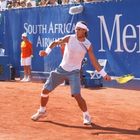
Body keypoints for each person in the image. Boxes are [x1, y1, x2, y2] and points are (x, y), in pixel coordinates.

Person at [31, 21, 111, 125]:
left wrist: (104, 74)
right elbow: (54, 43)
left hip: (74, 72)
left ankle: (86, 115)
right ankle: (42, 111)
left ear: (84, 31)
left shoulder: (88, 45)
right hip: (61, 69)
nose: (76, 30)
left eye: (79, 29)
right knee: (45, 90)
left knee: (77, 95)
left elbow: (94, 62)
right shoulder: (69, 38)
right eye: (76, 28)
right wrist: (46, 52)